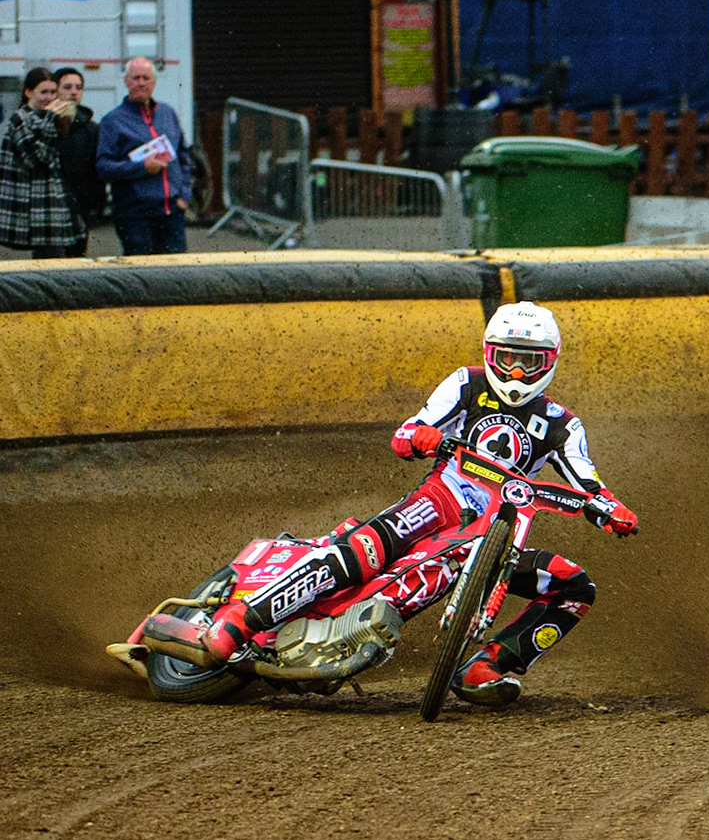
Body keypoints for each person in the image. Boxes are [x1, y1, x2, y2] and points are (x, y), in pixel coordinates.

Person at [148, 302, 638, 709]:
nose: (515, 371)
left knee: (575, 587)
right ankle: (241, 621)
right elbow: (407, 432)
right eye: (508, 358)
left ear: (549, 362)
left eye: (528, 362)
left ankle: (487, 666)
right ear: (490, 354)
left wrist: (611, 509)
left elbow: (587, 479)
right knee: (367, 548)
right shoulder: (467, 384)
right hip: (442, 498)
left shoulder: (561, 424)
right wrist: (424, 438)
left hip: (497, 533)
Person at [95, 56, 192, 255]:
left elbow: (184, 156)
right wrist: (141, 168)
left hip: (172, 212)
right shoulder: (113, 121)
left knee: (176, 275)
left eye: (146, 78)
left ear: (154, 81)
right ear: (126, 81)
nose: (141, 83)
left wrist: (184, 194)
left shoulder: (167, 113)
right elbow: (103, 167)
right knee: (142, 278)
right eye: (136, 77)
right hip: (135, 216)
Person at [0, 67, 86, 258]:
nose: (49, 98)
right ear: (28, 92)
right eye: (43, 92)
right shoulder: (20, 120)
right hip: (35, 207)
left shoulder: (52, 118)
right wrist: (51, 119)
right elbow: (37, 158)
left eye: (53, 92)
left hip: (54, 204)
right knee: (51, 263)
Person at [52, 68, 104, 253]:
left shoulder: (92, 129)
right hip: (50, 210)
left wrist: (96, 206)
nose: (74, 92)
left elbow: (97, 171)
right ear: (55, 90)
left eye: (79, 87)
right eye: (67, 87)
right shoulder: (45, 125)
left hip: (80, 209)